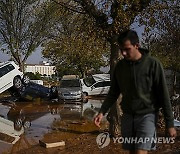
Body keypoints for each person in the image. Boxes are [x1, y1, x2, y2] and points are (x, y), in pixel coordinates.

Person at [94, 30, 177, 154]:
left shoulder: (153, 65)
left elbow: (163, 95)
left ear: (136, 46)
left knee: (141, 151)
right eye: (122, 49)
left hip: (147, 115)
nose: (123, 53)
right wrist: (101, 112)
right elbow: (113, 93)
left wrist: (169, 123)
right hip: (128, 116)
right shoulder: (120, 67)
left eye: (127, 49)